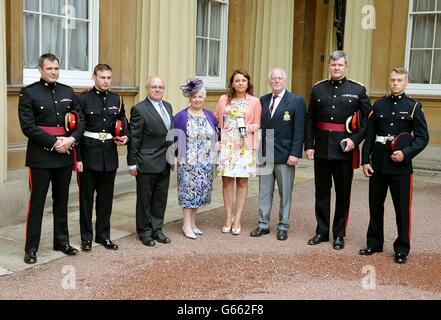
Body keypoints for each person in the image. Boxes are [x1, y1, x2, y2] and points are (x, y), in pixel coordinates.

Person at [18, 53, 85, 264]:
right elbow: (27, 127)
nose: (54, 72)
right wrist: (54, 143)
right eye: (49, 69)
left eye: (56, 68)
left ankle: (61, 241)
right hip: (40, 156)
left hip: (64, 155)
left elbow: (80, 120)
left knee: (62, 200)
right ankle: (31, 248)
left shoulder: (67, 91)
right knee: (37, 203)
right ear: (40, 70)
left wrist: (71, 140)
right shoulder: (28, 93)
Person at [359, 67, 429, 264]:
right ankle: (374, 243)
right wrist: (365, 160)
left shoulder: (414, 107)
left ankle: (401, 248)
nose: (395, 83)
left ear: (406, 82)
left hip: (401, 166)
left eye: (399, 80)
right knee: (375, 206)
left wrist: (406, 154)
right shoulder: (379, 105)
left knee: (402, 209)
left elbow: (423, 138)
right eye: (392, 80)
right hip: (379, 164)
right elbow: (370, 135)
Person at [305, 51, 372, 250]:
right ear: (329, 66)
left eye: (340, 65)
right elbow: (310, 119)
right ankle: (322, 231)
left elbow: (368, 120)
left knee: (343, 194)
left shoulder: (358, 90)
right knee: (322, 193)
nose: (336, 68)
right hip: (322, 149)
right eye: (333, 65)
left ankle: (339, 234)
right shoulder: (318, 89)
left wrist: (355, 140)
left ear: (345, 67)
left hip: (345, 148)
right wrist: (309, 145)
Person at [249, 68, 306, 241]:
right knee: (264, 191)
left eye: (279, 78)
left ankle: (283, 225)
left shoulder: (296, 101)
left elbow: (299, 130)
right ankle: (263, 224)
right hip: (266, 152)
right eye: (273, 78)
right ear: (269, 81)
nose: (276, 81)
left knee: (285, 192)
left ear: (285, 80)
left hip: (286, 153)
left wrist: (295, 153)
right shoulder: (263, 100)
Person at [76, 64, 128, 251]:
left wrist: (125, 136)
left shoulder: (117, 99)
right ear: (94, 77)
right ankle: (86, 238)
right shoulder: (83, 99)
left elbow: (123, 122)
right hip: (89, 155)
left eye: (108, 78)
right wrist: (78, 159)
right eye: (102, 77)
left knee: (106, 200)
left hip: (109, 156)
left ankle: (103, 236)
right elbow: (77, 132)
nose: (106, 81)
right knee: (86, 199)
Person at [127, 76, 174, 247]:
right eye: (154, 86)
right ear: (147, 88)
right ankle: (145, 232)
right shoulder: (139, 109)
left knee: (160, 199)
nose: (157, 89)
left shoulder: (168, 106)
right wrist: (132, 163)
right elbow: (134, 138)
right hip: (146, 162)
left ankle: (157, 230)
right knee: (145, 201)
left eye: (160, 86)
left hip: (165, 161)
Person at [215, 69, 262, 235]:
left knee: (242, 182)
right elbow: (217, 119)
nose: (240, 83)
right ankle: (228, 216)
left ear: (248, 83)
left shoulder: (255, 102)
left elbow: (257, 123)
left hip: (244, 146)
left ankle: (238, 218)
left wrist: (246, 127)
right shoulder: (224, 100)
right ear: (232, 83)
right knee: (226, 181)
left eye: (243, 80)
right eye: (237, 80)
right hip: (227, 146)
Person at [174, 79, 218, 239]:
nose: (197, 99)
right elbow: (174, 139)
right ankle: (186, 225)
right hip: (188, 163)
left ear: (204, 98)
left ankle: (193, 223)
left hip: (205, 163)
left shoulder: (209, 115)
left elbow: (215, 134)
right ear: (190, 98)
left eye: (200, 96)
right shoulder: (181, 117)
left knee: (199, 192)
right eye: (194, 97)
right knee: (188, 193)